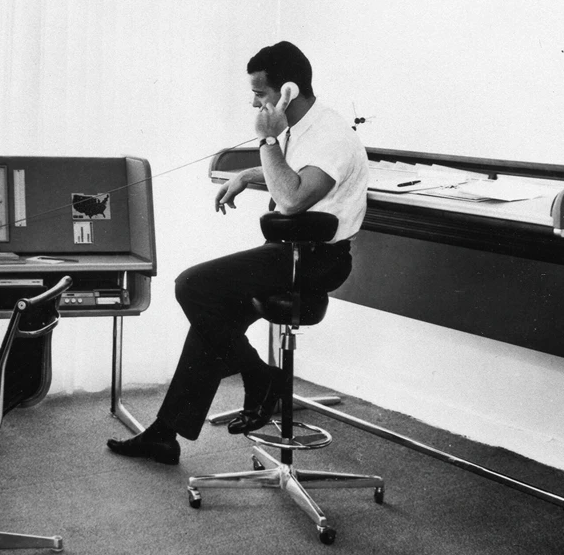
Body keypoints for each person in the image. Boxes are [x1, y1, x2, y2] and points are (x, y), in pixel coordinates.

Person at [107, 40, 369, 466]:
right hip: (290, 250)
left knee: (192, 286)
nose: (253, 102)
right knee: (217, 318)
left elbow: (293, 198)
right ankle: (165, 433)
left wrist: (265, 140)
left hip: (316, 260)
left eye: (260, 94)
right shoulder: (305, 128)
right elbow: (294, 176)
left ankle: (259, 377)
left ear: (287, 92)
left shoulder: (331, 135)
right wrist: (249, 173)